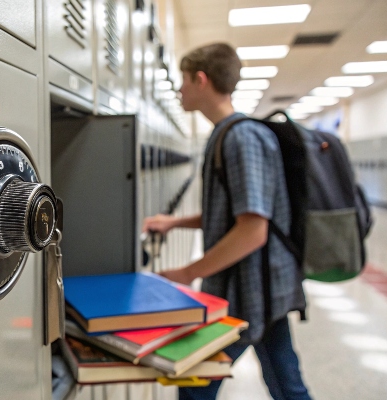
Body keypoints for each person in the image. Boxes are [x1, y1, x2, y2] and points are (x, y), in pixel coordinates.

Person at [142, 43, 311, 400]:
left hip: (249, 290)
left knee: (196, 385)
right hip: (256, 286)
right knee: (286, 383)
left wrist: (188, 273)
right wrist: (174, 223)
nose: (179, 90)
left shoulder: (242, 137)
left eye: (183, 81)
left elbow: (253, 230)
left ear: (201, 80)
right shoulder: (227, 134)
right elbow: (235, 214)